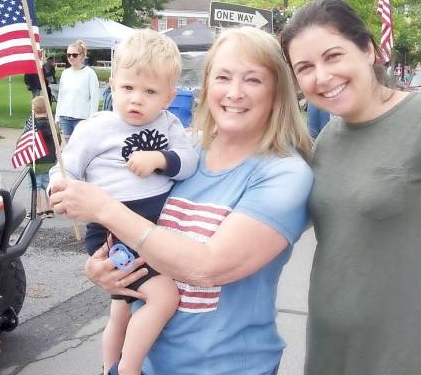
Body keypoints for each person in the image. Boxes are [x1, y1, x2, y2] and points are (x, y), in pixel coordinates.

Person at [50, 26, 314, 375]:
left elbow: (208, 267)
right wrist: (102, 270)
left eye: (253, 80)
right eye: (223, 77)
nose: (234, 93)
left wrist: (104, 209)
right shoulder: (186, 148)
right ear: (207, 85)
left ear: (277, 91)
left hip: (224, 367)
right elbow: (139, 228)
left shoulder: (284, 173)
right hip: (148, 362)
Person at [281, 0, 421, 375]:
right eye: (305, 68)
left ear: (367, 50)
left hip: (406, 352)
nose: (322, 76)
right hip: (329, 349)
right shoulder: (329, 137)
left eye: (333, 56)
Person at [49, 29, 199, 375]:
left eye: (150, 92)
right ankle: (128, 369)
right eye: (128, 88)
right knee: (164, 297)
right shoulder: (96, 128)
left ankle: (107, 367)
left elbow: (188, 161)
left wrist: (160, 159)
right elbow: (67, 166)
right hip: (111, 233)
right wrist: (59, 188)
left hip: (150, 232)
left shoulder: (170, 124)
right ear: (112, 84)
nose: (136, 99)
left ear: (168, 96)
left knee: (120, 308)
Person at [54, 40, 100, 143]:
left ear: (82, 56)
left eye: (74, 55)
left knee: (80, 148)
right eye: (68, 55)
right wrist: (57, 116)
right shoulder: (65, 73)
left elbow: (94, 98)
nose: (71, 57)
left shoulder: (90, 74)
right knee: (69, 148)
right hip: (65, 117)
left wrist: (92, 118)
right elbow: (61, 96)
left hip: (82, 119)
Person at [26, 95, 57, 218]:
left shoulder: (31, 126)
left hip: (36, 161)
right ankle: (49, 209)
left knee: (35, 186)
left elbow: (24, 141)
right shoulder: (52, 125)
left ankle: (38, 209)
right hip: (49, 161)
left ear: (33, 109)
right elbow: (57, 139)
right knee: (47, 185)